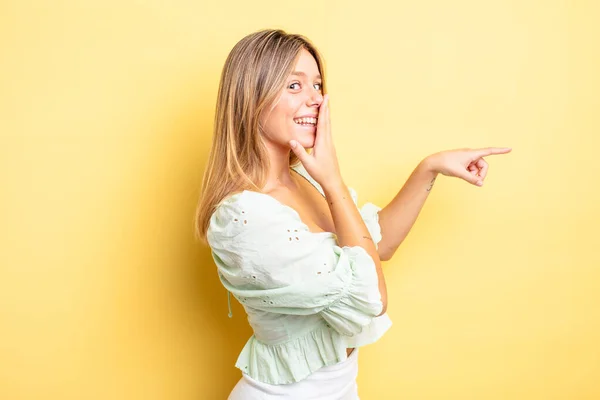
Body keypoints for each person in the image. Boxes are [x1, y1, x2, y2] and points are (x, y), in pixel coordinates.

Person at [195, 28, 511, 400]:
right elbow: (371, 300)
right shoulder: (243, 216)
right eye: (294, 86)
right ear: (250, 99)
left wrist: (430, 167)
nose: (315, 99)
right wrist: (333, 184)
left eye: (317, 85)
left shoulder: (302, 180)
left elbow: (378, 245)